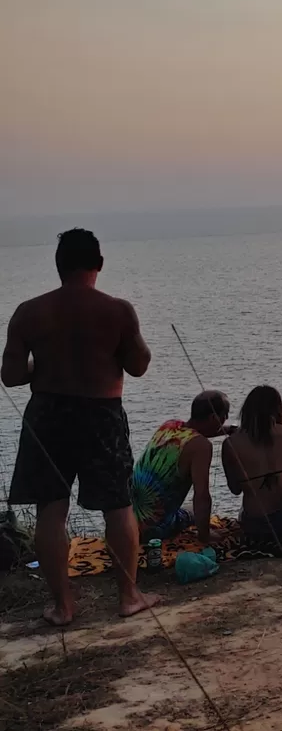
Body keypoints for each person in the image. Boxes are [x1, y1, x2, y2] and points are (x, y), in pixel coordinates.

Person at [2, 229, 159, 625]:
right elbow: (139, 366)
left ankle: (62, 607)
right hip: (101, 414)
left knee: (50, 510)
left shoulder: (29, 311)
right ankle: (128, 597)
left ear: (59, 266)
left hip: (47, 414)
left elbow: (12, 375)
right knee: (118, 506)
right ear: (99, 264)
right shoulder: (118, 311)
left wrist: (46, 365)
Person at [221, 385, 282, 544]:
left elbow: (235, 489)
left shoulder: (230, 444)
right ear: (279, 408)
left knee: (246, 512)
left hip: (260, 525)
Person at [132, 390, 233, 545]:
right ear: (214, 417)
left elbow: (199, 433)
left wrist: (231, 430)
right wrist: (205, 535)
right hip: (153, 530)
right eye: (224, 416)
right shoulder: (202, 447)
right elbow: (201, 497)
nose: (225, 420)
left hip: (128, 521)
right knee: (193, 511)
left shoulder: (170, 426)